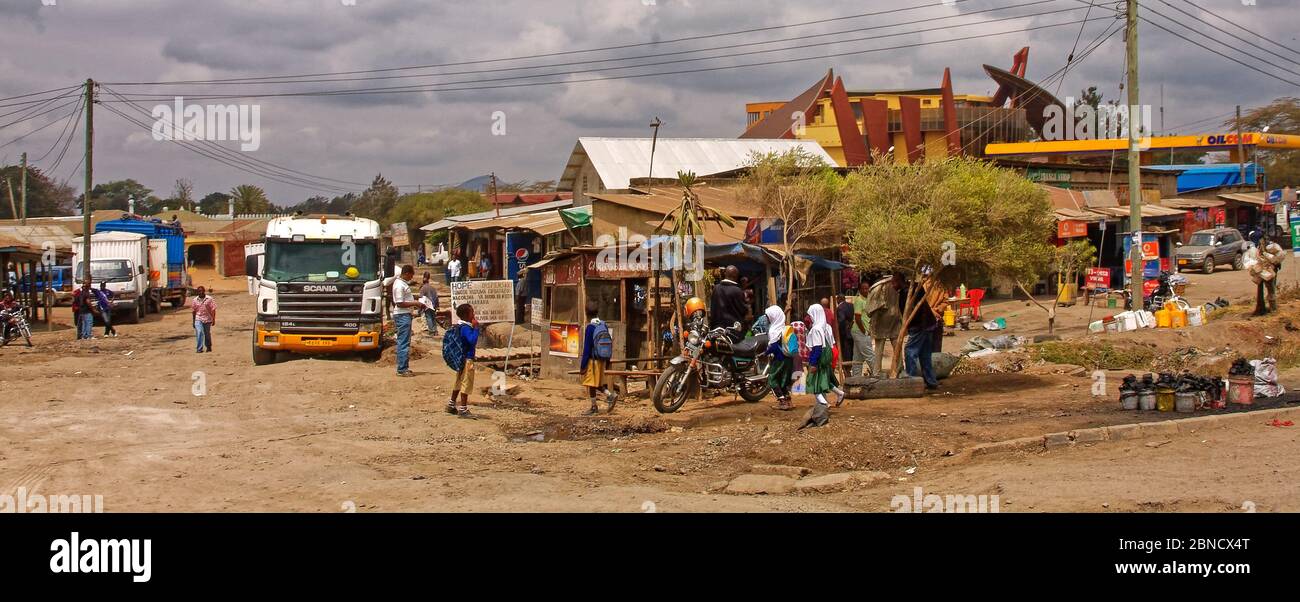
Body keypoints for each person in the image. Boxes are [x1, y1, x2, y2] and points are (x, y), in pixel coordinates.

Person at [803, 303, 845, 426]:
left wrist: (813, 363)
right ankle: (840, 393)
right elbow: (831, 344)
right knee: (824, 378)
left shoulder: (816, 329)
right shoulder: (826, 326)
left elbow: (817, 347)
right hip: (829, 353)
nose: (809, 317)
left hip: (820, 355)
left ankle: (824, 404)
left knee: (813, 382)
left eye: (810, 315)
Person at [579, 300, 618, 415]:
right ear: (597, 312)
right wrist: (608, 360)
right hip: (601, 359)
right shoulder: (602, 324)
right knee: (597, 383)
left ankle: (594, 407)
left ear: (586, 313)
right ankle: (610, 395)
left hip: (592, 360)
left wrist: (583, 365)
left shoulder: (590, 327)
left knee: (591, 384)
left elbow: (587, 348)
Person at [902, 277, 941, 390]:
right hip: (926, 324)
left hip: (921, 325)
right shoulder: (915, 288)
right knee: (925, 354)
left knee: (910, 351)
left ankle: (911, 382)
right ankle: (931, 381)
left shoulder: (909, 292)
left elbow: (914, 310)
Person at [866, 273, 904, 377]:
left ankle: (900, 368)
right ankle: (877, 372)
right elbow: (871, 308)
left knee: (897, 344)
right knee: (879, 347)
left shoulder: (899, 288)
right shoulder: (880, 287)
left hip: (895, 321)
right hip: (880, 322)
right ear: (894, 280)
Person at [447, 303, 481, 418]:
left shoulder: (459, 326)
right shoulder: (466, 328)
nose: (474, 314)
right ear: (467, 315)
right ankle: (463, 409)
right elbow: (472, 341)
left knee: (458, 382)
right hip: (467, 359)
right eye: (472, 312)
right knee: (466, 383)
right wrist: (476, 328)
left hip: (460, 359)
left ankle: (451, 404)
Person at [390, 265, 422, 376]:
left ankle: (403, 367)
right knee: (403, 342)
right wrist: (415, 303)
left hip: (405, 315)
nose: (411, 277)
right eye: (411, 275)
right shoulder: (399, 285)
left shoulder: (402, 283)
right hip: (402, 316)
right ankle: (402, 369)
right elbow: (399, 302)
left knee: (404, 341)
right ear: (407, 273)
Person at [762, 305, 795, 411]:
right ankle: (788, 400)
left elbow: (774, 347)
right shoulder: (785, 327)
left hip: (779, 359)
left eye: (768, 316)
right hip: (789, 358)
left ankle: (782, 401)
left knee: (772, 379)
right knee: (783, 379)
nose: (767, 318)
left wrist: (765, 353)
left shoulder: (773, 331)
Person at [708, 265, 748, 333]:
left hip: (717, 330)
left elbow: (713, 308)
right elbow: (743, 310)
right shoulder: (737, 291)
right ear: (736, 276)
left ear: (725, 273)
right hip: (733, 331)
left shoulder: (716, 288)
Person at [850, 280, 875, 377]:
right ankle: (877, 373)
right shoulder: (859, 300)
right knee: (869, 354)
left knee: (857, 358)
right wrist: (864, 331)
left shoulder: (867, 300)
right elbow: (857, 318)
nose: (866, 290)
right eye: (863, 288)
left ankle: (856, 377)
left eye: (867, 288)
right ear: (859, 290)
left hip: (862, 331)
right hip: (859, 331)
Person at [191, 286, 217, 353]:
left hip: (207, 319)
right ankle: (199, 349)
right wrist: (193, 322)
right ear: (197, 292)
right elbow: (193, 311)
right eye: (199, 291)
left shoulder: (209, 299)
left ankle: (208, 346)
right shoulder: (195, 300)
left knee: (207, 334)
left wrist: (213, 319)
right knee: (199, 332)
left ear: (204, 291)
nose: (201, 292)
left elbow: (213, 309)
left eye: (202, 291)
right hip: (198, 318)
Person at [835, 294, 855, 370]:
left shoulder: (840, 308)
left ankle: (847, 366)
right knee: (851, 347)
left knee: (846, 348)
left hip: (844, 331)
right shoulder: (851, 305)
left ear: (839, 299)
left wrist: (839, 330)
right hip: (851, 329)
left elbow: (841, 320)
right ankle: (850, 364)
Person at [418, 271, 439, 336]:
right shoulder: (432, 288)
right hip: (433, 304)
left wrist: (420, 308)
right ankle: (435, 330)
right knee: (433, 318)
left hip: (427, 305)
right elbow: (436, 297)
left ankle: (431, 331)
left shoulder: (423, 288)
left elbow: (421, 298)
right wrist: (437, 306)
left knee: (429, 317)